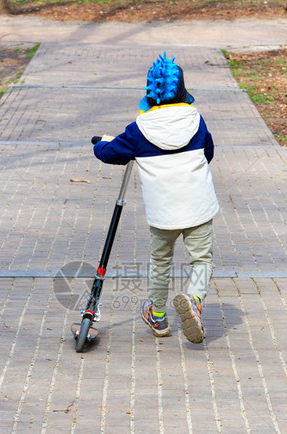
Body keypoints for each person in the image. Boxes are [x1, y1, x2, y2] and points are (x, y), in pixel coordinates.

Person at [92, 53, 218, 344]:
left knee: (161, 261)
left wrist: (100, 145)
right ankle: (195, 300)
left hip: (164, 212)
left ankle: (158, 318)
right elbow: (208, 152)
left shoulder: (139, 131)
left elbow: (112, 154)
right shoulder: (196, 122)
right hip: (198, 205)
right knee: (202, 260)